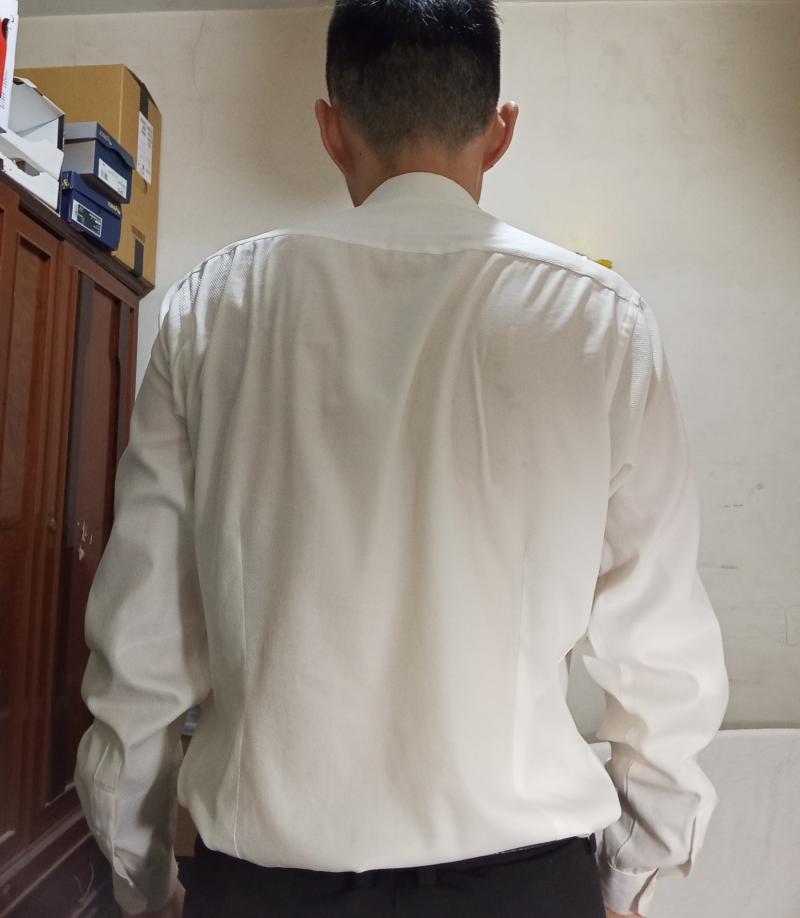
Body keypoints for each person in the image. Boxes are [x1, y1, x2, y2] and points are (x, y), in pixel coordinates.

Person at [73, 1, 729, 917]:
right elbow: (663, 670)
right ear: (500, 133)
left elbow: (140, 657)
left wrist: (145, 883)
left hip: (263, 891)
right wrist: (627, 880)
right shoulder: (602, 327)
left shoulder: (212, 311)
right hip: (524, 888)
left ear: (331, 129)